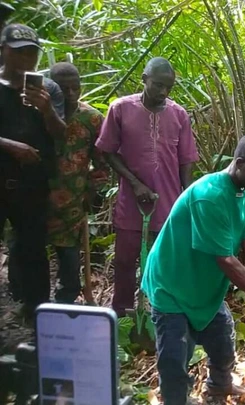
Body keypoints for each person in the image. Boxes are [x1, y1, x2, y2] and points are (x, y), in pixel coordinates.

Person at [141, 133, 245, 405]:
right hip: (172, 286)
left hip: (204, 287)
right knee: (175, 359)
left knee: (223, 343)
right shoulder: (210, 196)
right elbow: (225, 260)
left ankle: (218, 388)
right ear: (239, 163)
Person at [95, 57, 199, 316]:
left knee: (163, 262)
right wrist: (135, 184)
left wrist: (186, 201)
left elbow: (186, 160)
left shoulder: (179, 114)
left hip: (168, 202)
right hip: (131, 202)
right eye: (157, 85)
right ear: (143, 79)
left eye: (168, 87)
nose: (163, 92)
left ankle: (161, 316)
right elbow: (107, 151)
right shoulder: (120, 109)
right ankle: (122, 316)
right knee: (125, 260)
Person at [0, 23, 66, 319]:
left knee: (34, 250)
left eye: (32, 54)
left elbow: (61, 134)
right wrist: (11, 146)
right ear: (4, 51)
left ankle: (36, 316)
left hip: (33, 186)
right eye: (20, 53)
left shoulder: (48, 89)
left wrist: (47, 109)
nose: (27, 60)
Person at [44, 62, 109, 303]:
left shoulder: (91, 118)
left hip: (72, 201)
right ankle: (30, 303)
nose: (70, 94)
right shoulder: (37, 113)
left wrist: (90, 193)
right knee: (29, 251)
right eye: (63, 88)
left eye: (75, 88)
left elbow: (102, 164)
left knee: (69, 256)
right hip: (34, 197)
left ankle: (67, 300)